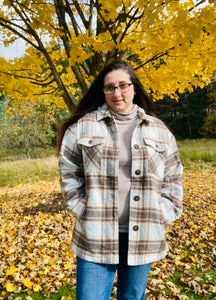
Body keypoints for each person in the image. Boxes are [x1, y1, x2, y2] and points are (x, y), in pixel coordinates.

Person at [58, 60, 183, 300]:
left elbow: (173, 176)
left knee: (132, 297)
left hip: (144, 233)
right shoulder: (83, 127)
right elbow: (68, 169)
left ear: (134, 88)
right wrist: (80, 206)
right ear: (102, 91)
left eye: (123, 85)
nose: (117, 93)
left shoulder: (159, 130)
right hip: (96, 234)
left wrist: (163, 212)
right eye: (109, 87)